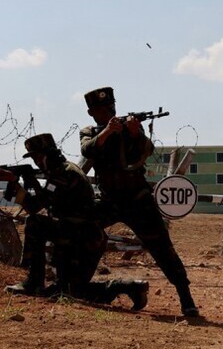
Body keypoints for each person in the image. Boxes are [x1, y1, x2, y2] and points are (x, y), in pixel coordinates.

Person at [79, 87, 198, 317]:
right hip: (108, 201)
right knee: (79, 227)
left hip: (137, 200)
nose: (109, 112)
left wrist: (135, 133)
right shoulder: (90, 131)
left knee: (162, 247)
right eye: (103, 109)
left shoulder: (130, 129)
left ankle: (186, 296)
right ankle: (75, 282)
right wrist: (107, 133)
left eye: (111, 107)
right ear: (92, 113)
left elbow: (147, 150)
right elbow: (87, 148)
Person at [2, 133, 148, 309]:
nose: (37, 162)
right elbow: (50, 200)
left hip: (80, 238)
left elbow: (34, 207)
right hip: (84, 237)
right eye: (34, 158)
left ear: (49, 154)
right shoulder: (64, 171)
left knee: (35, 222)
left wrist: (15, 185)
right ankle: (130, 287)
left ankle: (33, 282)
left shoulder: (62, 175)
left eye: (38, 157)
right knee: (68, 291)